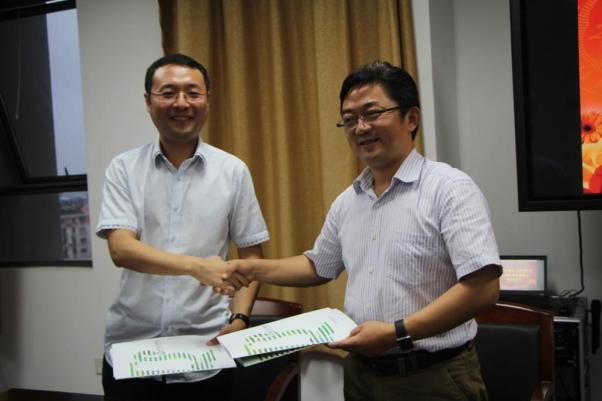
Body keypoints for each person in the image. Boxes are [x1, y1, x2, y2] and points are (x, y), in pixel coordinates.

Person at [224, 61, 501, 401]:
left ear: (411, 118)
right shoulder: (348, 200)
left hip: (433, 376)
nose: (361, 127)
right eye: (350, 119)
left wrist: (396, 333)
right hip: (360, 374)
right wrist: (253, 268)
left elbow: (483, 289)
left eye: (372, 113)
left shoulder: (451, 189)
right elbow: (318, 265)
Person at [96, 53, 268, 400]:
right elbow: (121, 249)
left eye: (192, 92)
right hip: (132, 351)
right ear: (148, 101)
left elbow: (251, 256)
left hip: (205, 353)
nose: (181, 103)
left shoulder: (232, 171)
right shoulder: (123, 168)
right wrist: (197, 267)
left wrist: (239, 318)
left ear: (207, 100)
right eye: (168, 92)